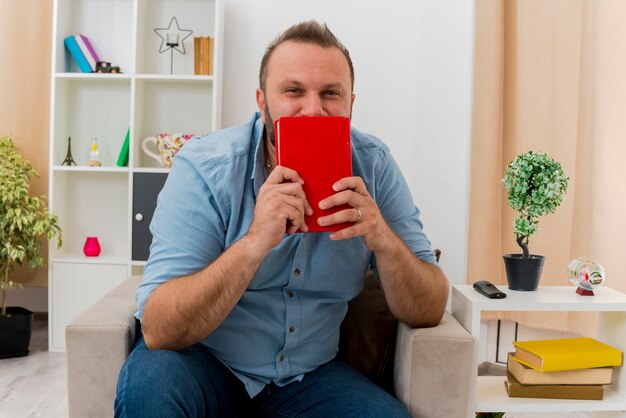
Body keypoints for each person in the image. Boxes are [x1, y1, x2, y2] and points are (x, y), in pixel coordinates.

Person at [114, 20, 449, 418]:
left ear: (351, 103)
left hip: (310, 376)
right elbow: (159, 327)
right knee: (151, 392)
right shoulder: (207, 167)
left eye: (330, 94)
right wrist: (255, 241)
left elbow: (428, 307)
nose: (312, 109)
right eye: (293, 91)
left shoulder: (374, 166)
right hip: (202, 364)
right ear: (262, 101)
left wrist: (383, 239)